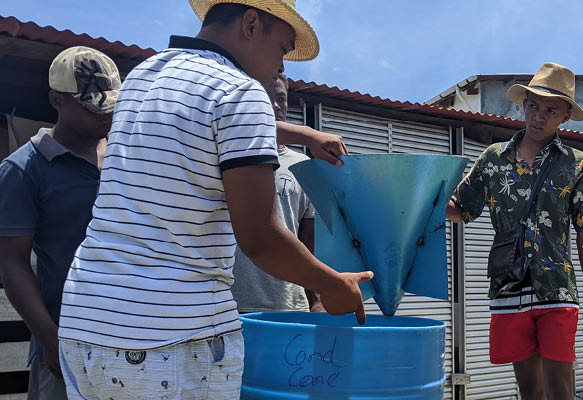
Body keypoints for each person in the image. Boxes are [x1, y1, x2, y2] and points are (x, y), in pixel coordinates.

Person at [57, 2, 371, 398]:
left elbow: (206, 116)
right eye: (282, 47)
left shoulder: (144, 76)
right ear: (252, 24)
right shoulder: (240, 92)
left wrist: (304, 135)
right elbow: (260, 238)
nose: (281, 65)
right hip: (169, 340)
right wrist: (334, 285)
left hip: (85, 325)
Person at [447, 62, 583, 400]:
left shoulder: (578, 164)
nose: (538, 115)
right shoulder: (493, 159)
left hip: (556, 288)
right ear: (523, 105)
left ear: (564, 116)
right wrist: (414, 198)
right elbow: (460, 209)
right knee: (530, 389)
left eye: (550, 109)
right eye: (533, 105)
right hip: (509, 287)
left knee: (561, 387)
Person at [0, 46, 119, 400]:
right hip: (67, 340)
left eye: (111, 102)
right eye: (91, 104)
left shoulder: (122, 158)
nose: (105, 114)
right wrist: (50, 340)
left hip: (132, 337)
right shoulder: (24, 169)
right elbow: (12, 262)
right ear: (57, 100)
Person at [231, 70, 324, 314]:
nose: (274, 105)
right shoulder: (229, 155)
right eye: (264, 96)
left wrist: (318, 299)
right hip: (230, 304)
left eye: (280, 98)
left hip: (289, 306)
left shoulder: (303, 165)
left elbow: (310, 242)